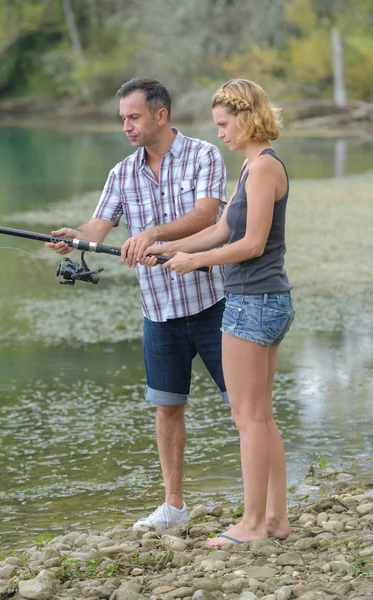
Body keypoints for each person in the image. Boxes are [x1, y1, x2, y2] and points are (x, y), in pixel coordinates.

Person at [45, 77, 229, 531]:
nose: (126, 125)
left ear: (160, 116)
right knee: (167, 407)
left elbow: (207, 215)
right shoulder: (121, 173)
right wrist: (76, 238)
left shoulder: (205, 154)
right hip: (159, 312)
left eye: (133, 117)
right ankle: (173, 507)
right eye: (122, 118)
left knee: (243, 405)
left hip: (216, 305)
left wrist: (151, 233)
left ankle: (264, 500)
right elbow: (98, 228)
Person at [143, 78, 294, 545]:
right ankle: (276, 519)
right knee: (260, 415)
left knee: (248, 418)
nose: (221, 134)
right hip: (262, 299)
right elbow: (223, 228)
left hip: (254, 301)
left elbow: (250, 244)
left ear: (247, 117)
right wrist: (169, 247)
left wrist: (196, 262)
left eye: (225, 125)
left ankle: (251, 526)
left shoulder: (265, 168)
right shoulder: (252, 168)